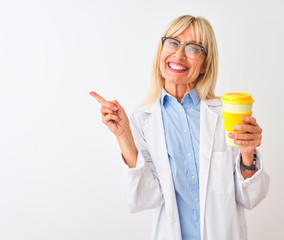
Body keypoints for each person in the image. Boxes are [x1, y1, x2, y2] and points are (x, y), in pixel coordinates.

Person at [90, 15, 269, 240]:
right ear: (161, 51)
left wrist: (247, 153)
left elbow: (250, 198)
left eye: (193, 48)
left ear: (205, 64)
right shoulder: (142, 119)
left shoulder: (227, 114)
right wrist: (123, 136)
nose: (179, 54)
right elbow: (144, 198)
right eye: (173, 42)